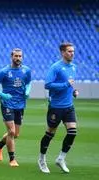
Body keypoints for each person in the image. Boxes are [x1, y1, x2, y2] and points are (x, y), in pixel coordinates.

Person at [38, 42, 78, 174]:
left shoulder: (73, 67)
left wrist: (73, 91)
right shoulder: (55, 67)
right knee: (50, 134)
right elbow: (48, 85)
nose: (72, 53)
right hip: (56, 107)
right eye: (69, 51)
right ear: (62, 52)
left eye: (73, 51)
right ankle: (42, 159)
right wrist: (65, 84)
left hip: (69, 106)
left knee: (72, 132)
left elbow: (70, 84)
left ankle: (61, 158)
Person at [0, 48, 31, 167]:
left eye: (20, 56)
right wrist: (3, 95)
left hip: (20, 104)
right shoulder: (4, 72)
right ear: (11, 57)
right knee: (11, 131)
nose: (18, 58)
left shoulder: (26, 70)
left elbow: (28, 82)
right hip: (7, 104)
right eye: (16, 56)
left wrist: (27, 90)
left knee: (16, 134)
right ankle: (12, 159)